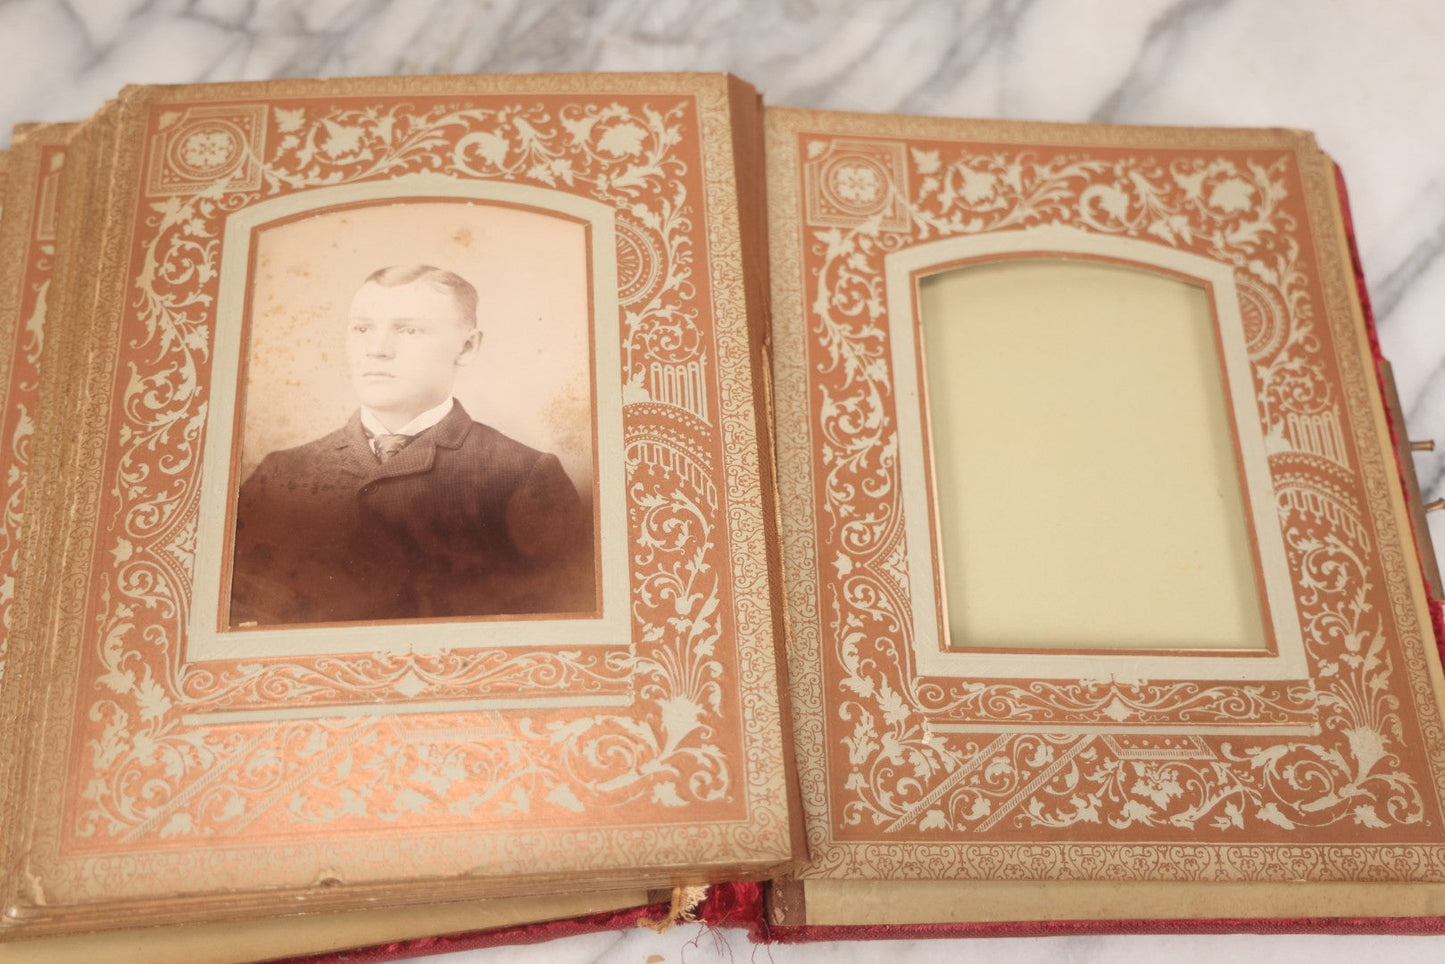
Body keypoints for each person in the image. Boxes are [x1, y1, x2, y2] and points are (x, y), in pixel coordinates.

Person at [229, 264, 594, 626]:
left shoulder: (523, 476)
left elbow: (566, 628)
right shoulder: (279, 474)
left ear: (466, 347)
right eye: (362, 328)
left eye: (409, 330)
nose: (377, 349)